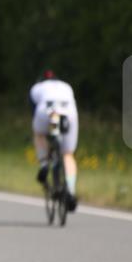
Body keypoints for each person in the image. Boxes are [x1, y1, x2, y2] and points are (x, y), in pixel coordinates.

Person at [30, 70, 79, 211]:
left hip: (46, 111)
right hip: (68, 113)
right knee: (68, 154)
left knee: (39, 134)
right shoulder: (66, 86)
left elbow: (33, 111)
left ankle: (44, 163)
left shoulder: (36, 88)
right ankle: (70, 190)